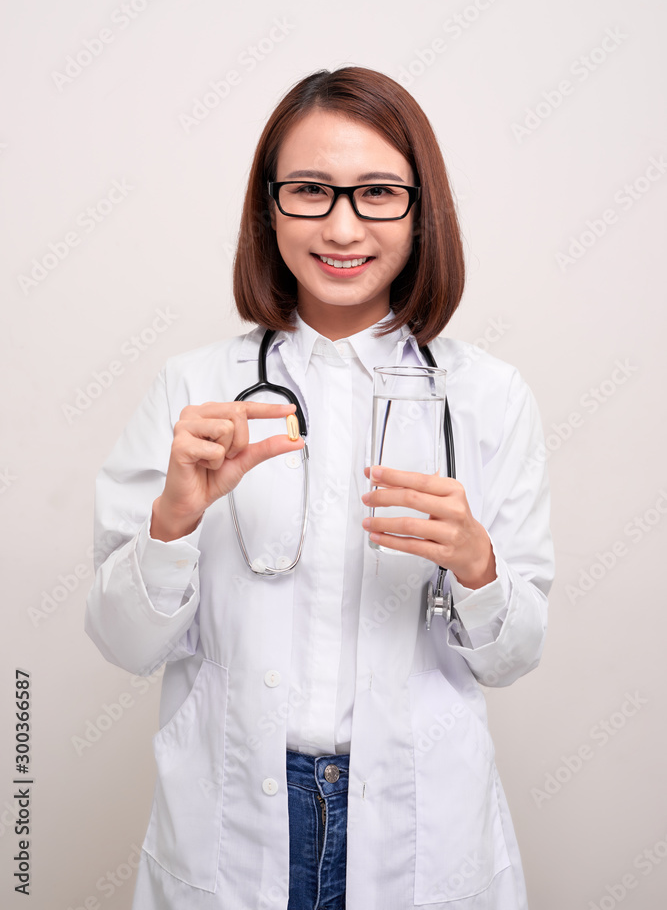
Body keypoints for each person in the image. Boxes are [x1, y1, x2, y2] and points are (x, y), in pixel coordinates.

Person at [85, 65, 554, 910]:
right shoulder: (193, 388)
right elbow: (124, 643)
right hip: (234, 825)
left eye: (378, 192)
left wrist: (478, 567)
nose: (341, 226)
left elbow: (514, 657)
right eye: (310, 191)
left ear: (421, 210)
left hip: (417, 826)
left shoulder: (488, 397)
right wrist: (173, 519)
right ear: (269, 208)